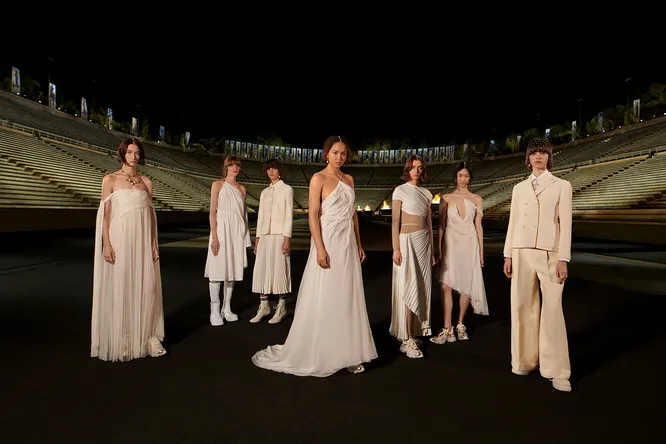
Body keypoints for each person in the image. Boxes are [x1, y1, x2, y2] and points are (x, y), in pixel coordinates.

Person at [251, 135, 378, 376]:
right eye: (335, 152)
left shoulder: (349, 179)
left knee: (347, 294)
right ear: (326, 153)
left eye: (343, 153)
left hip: (347, 243)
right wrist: (320, 247)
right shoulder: (318, 178)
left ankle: (349, 352)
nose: (339, 157)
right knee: (327, 292)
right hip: (328, 240)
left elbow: (352, 214)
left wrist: (359, 244)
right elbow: (313, 215)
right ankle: (325, 350)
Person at [503, 138, 573, 392]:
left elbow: (566, 224)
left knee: (552, 308)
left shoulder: (562, 185)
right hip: (521, 250)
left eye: (543, 152)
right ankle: (524, 360)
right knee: (522, 306)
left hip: (550, 252)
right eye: (534, 153)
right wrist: (508, 254)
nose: (539, 156)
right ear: (529, 158)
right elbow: (513, 221)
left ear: (549, 157)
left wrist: (564, 258)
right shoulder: (518, 188)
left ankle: (558, 370)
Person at [91, 138, 166, 362]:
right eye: (130, 152)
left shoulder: (146, 182)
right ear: (123, 154)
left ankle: (149, 336)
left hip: (143, 240)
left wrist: (153, 243)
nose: (134, 156)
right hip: (120, 239)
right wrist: (106, 243)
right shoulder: (110, 179)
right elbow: (105, 216)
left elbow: (151, 217)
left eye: (137, 152)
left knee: (148, 287)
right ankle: (124, 338)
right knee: (122, 286)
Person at [431, 163, 489, 345]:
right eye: (460, 175)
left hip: (469, 244)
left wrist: (481, 253)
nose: (463, 179)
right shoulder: (446, 198)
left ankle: (460, 324)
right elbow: (441, 226)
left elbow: (478, 227)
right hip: (450, 243)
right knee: (445, 285)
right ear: (455, 177)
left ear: (470, 179)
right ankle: (447, 328)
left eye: (466, 176)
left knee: (466, 285)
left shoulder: (477, 199)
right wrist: (439, 250)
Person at [389, 155, 435, 359]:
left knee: (422, 287)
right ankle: (406, 338)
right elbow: (395, 222)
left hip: (424, 242)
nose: (416, 170)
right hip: (406, 241)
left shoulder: (427, 193)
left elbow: (430, 224)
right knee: (409, 286)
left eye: (419, 167)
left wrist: (432, 250)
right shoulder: (400, 190)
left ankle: (415, 331)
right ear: (407, 169)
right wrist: (396, 248)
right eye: (413, 167)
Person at [204, 155, 251, 326]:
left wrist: (244, 237)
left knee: (231, 272)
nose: (235, 168)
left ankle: (227, 308)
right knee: (217, 271)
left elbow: (243, 216)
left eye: (237, 165)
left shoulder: (242, 188)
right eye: (231, 165)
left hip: (236, 233)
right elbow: (212, 213)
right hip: (221, 231)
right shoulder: (218, 185)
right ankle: (214, 310)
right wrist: (214, 236)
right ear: (226, 167)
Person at [250, 159, 294, 324]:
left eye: (274, 169)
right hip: (265, 235)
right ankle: (264, 306)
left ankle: (281, 307)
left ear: (279, 171)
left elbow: (289, 215)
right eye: (268, 169)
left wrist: (286, 238)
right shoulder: (264, 192)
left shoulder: (287, 189)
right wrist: (258, 238)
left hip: (279, 235)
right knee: (262, 269)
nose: (271, 172)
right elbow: (261, 216)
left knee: (280, 269)